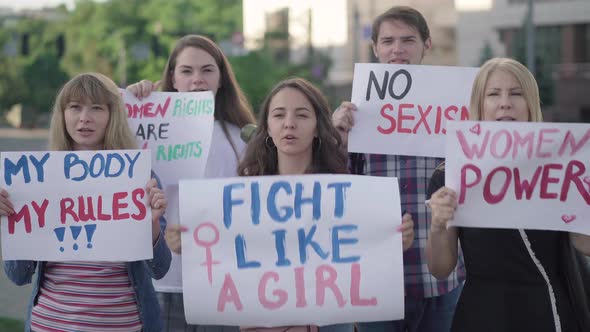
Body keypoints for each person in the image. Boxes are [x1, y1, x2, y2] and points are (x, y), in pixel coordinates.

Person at [167, 77, 413, 331]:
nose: (289, 124)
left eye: (302, 115)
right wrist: (188, 244)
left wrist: (393, 241)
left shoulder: (347, 193)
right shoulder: (241, 196)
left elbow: (364, 256)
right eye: (279, 115)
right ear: (268, 128)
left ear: (318, 126)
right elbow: (225, 254)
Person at [426, 57, 590, 332]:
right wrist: (438, 225)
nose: (505, 102)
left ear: (531, 104)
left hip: (549, 310)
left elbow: (584, 244)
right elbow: (440, 268)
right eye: (493, 94)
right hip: (482, 311)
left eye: (516, 93)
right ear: (479, 105)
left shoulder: (560, 164)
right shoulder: (450, 175)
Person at [0, 72, 171, 332]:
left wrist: (153, 226)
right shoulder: (34, 177)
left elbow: (160, 269)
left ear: (112, 115)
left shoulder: (140, 176)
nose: (84, 118)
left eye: (97, 108)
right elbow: (18, 275)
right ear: (63, 114)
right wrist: (8, 220)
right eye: (75, 107)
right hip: (50, 324)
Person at [331, 6, 464, 332]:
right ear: (375, 48)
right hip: (375, 276)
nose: (397, 49)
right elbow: (335, 191)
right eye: (388, 41)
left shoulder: (454, 106)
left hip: (440, 275)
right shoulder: (354, 113)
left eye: (408, 40)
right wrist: (337, 139)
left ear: (426, 45)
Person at [127, 34, 256, 332]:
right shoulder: (143, 129)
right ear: (172, 77)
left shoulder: (244, 140)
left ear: (222, 78)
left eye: (207, 70)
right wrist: (130, 107)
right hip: (162, 282)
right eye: (187, 71)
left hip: (223, 284)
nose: (197, 79)